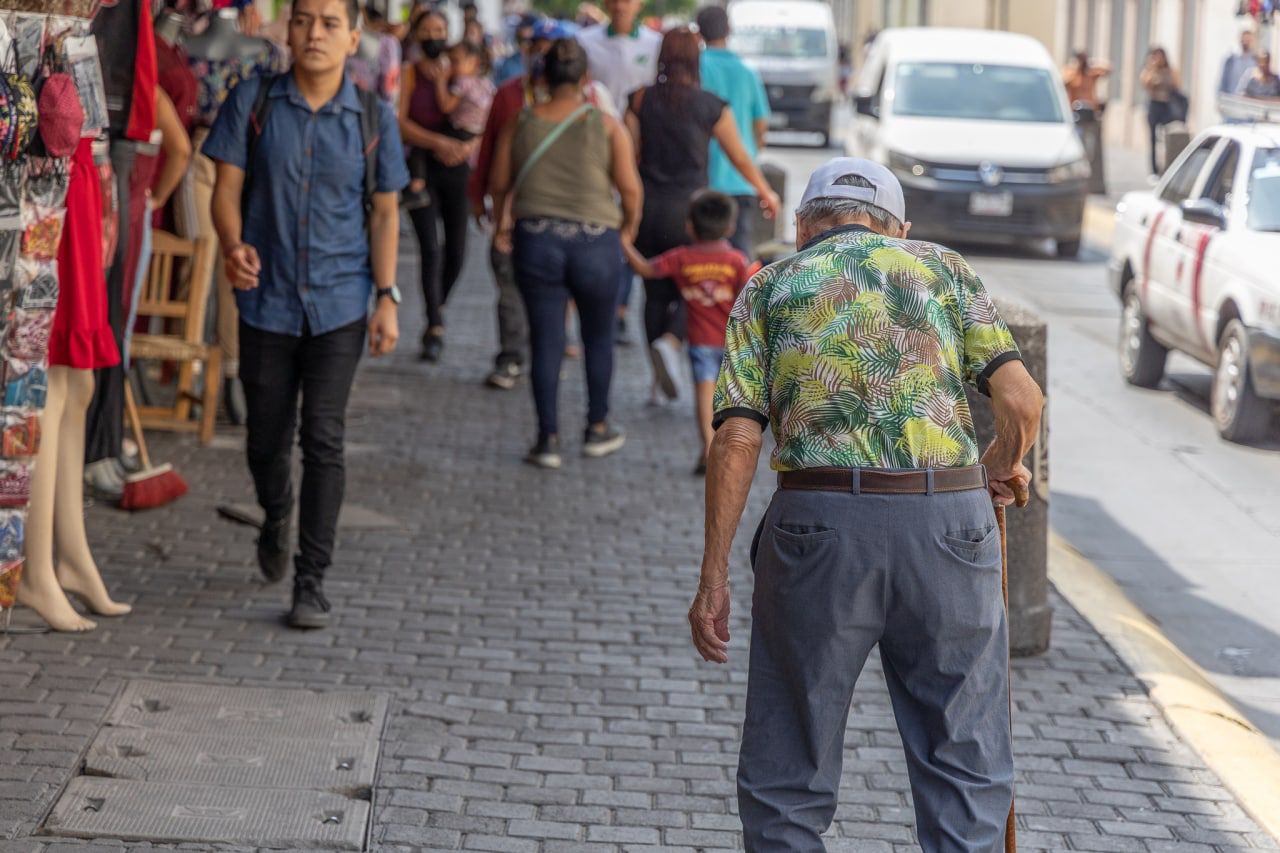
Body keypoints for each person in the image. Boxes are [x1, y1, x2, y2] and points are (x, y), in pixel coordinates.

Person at [691, 157, 1045, 851]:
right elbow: (1022, 398)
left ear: (801, 227)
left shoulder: (769, 285)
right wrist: (1000, 463)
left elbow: (737, 440)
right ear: (899, 228)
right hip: (948, 525)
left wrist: (713, 578)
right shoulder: (942, 269)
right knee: (963, 762)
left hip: (818, 532)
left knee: (788, 764)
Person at [206, 0, 409, 629]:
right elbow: (226, 191)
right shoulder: (254, 101)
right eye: (303, 21)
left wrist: (386, 296)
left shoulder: (373, 117)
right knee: (266, 437)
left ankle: (311, 579)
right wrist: (234, 245)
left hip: (341, 303)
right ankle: (275, 511)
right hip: (265, 301)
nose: (313, 33)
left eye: (328, 24)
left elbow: (384, 213)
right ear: (286, 30)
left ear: (353, 39)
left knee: (323, 436)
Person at [489, 38, 642, 470]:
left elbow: (499, 181)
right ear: (587, 80)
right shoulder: (608, 125)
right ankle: (597, 427)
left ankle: (547, 439)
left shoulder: (521, 121)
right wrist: (626, 232)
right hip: (597, 243)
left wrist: (502, 221)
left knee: (546, 340)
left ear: (541, 78)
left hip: (536, 240)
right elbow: (631, 190)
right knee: (598, 337)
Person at [625, 27, 779, 405]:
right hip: (692, 214)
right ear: (696, 59)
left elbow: (627, 160)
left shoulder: (639, 100)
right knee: (695, 291)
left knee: (655, 292)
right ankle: (674, 341)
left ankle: (657, 376)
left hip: (650, 210)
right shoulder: (711, 105)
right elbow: (740, 155)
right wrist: (765, 191)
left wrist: (626, 212)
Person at [470, 18, 614, 391]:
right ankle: (513, 357)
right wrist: (483, 203)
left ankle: (546, 365)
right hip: (522, 218)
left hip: (574, 224)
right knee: (510, 291)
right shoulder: (509, 97)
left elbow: (615, 166)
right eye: (539, 47)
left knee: (555, 314)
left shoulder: (594, 103)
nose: (545, 56)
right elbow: (489, 159)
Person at [622, 191, 753, 473]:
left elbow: (646, 269)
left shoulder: (682, 257)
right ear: (730, 227)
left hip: (700, 343)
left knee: (704, 398)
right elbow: (750, 296)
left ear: (690, 226)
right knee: (731, 400)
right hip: (732, 343)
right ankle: (730, 451)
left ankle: (707, 447)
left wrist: (624, 243)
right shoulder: (737, 260)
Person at [399, 8, 476, 362]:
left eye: (440, 30)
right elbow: (400, 123)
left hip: (457, 167)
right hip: (421, 165)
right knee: (430, 248)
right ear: (416, 35)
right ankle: (434, 325)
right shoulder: (408, 73)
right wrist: (437, 143)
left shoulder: (460, 70)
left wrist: (466, 147)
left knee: (457, 250)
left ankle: (438, 303)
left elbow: (480, 113)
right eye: (427, 30)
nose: (435, 36)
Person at [696, 5, 771, 259]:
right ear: (729, 30)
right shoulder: (747, 71)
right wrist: (753, 150)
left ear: (699, 32)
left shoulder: (696, 67)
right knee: (738, 257)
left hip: (703, 176)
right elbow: (760, 124)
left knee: (700, 258)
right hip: (742, 180)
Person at [405, 40, 494, 205]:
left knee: (420, 145)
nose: (451, 66)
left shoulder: (462, 82)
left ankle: (416, 183)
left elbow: (446, 106)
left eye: (455, 61)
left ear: (473, 61)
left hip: (457, 130)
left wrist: (440, 81)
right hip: (474, 134)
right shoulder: (486, 84)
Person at [575, 0, 660, 112]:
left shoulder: (656, 43)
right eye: (614, 1)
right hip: (598, 121)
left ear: (639, 5)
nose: (619, 6)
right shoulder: (584, 40)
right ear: (605, 4)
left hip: (640, 122)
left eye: (626, 1)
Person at [1141, 47, 1182, 176]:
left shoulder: (1170, 71)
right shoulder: (1149, 70)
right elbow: (1145, 83)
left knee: (1168, 137)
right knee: (1152, 138)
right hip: (1154, 105)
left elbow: (1177, 84)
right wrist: (1152, 69)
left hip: (1167, 106)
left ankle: (1168, 165)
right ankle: (1154, 170)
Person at [495, 14, 538, 84]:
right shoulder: (508, 64)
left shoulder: (545, 64)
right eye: (521, 40)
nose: (525, 44)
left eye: (530, 40)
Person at [1221, 28, 1257, 100]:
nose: (1245, 42)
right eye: (1244, 40)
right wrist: (1220, 99)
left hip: (1248, 102)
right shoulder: (1231, 60)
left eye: (1248, 40)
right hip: (1231, 100)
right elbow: (1223, 82)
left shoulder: (1255, 61)